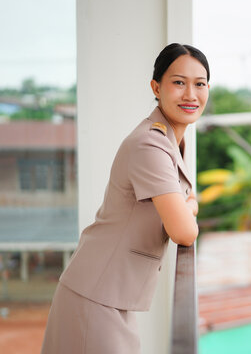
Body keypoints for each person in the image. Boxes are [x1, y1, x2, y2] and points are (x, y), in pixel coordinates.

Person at [41, 43, 210, 354]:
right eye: (178, 82)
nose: (190, 94)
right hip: (95, 296)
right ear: (156, 87)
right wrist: (190, 208)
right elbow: (184, 231)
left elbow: (185, 201)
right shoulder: (150, 145)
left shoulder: (172, 140)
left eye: (199, 84)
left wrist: (188, 206)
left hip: (107, 292)